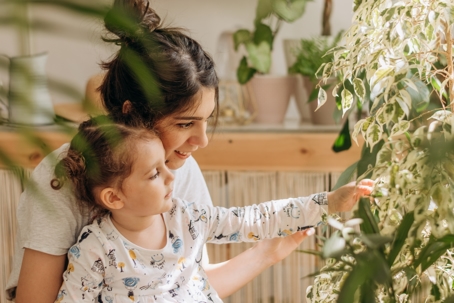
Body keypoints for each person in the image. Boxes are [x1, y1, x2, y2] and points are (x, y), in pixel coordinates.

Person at [5, 1, 372, 302]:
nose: (202, 141)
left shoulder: (179, 174)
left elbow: (187, 284)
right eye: (185, 124)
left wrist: (270, 251)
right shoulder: (68, 181)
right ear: (133, 113)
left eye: (207, 121)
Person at [53, 117, 373, 302]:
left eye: (165, 166)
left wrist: (328, 203)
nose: (170, 176)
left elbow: (254, 219)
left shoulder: (189, 217)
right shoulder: (95, 251)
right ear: (114, 198)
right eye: (153, 173)